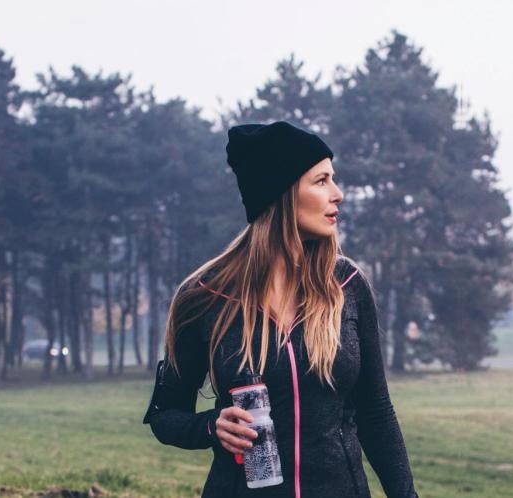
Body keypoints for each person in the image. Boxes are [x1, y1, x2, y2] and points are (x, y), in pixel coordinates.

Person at [142, 121, 420, 498]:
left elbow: (376, 412)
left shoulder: (346, 285)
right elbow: (164, 414)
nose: (337, 194)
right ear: (282, 194)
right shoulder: (205, 296)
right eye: (321, 181)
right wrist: (212, 427)